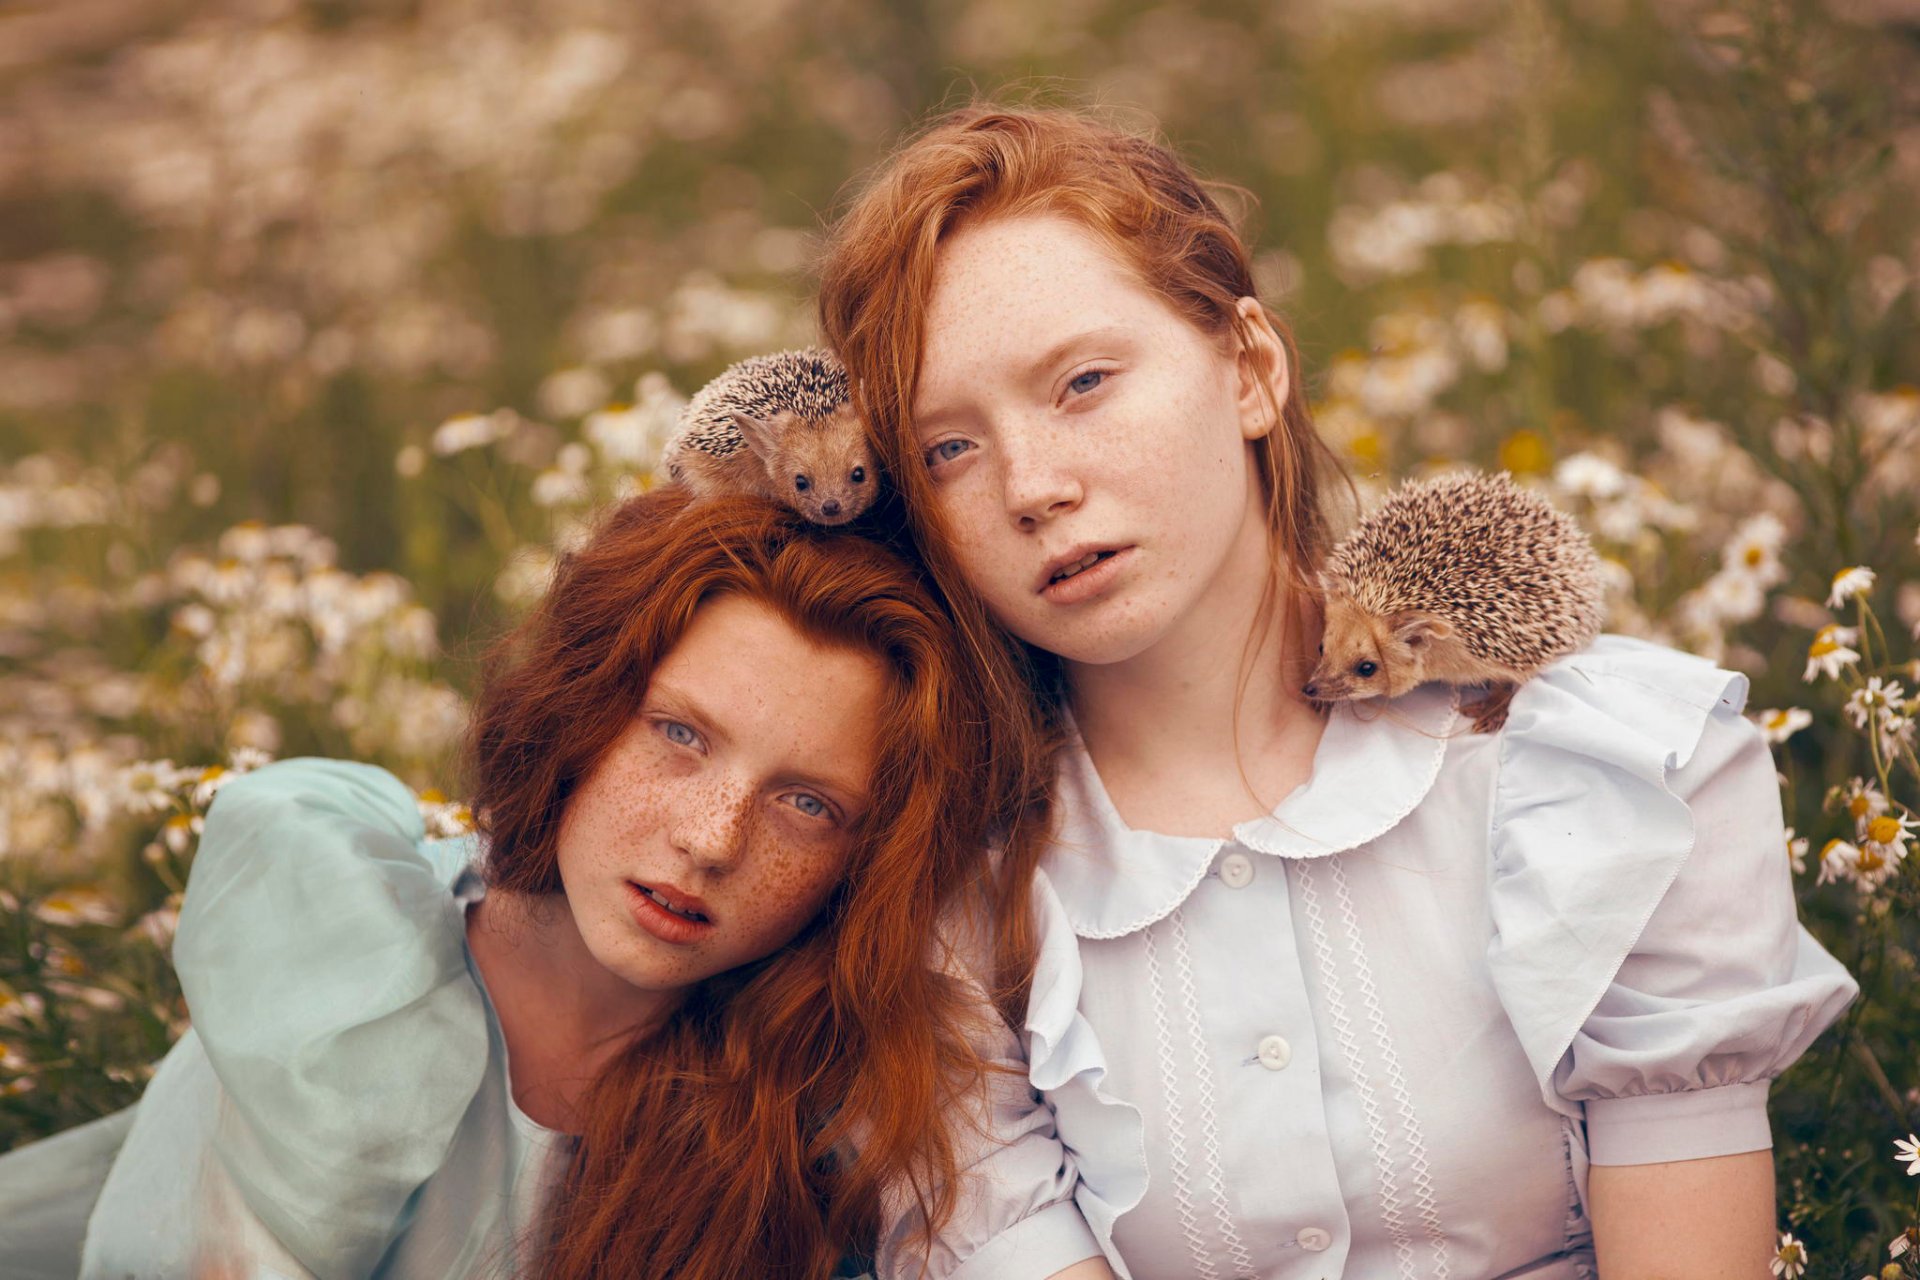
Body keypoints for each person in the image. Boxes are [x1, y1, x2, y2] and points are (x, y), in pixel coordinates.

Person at [816, 102, 1860, 1280]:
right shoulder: (940, 906)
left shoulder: (1600, 773)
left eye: (1084, 381)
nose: (1033, 485)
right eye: (949, 447)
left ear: (1252, 370)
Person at [0, 488, 1096, 1279]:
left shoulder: (803, 1107)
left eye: (808, 804)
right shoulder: (342, 986)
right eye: (678, 734)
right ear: (582, 712)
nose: (712, 840)